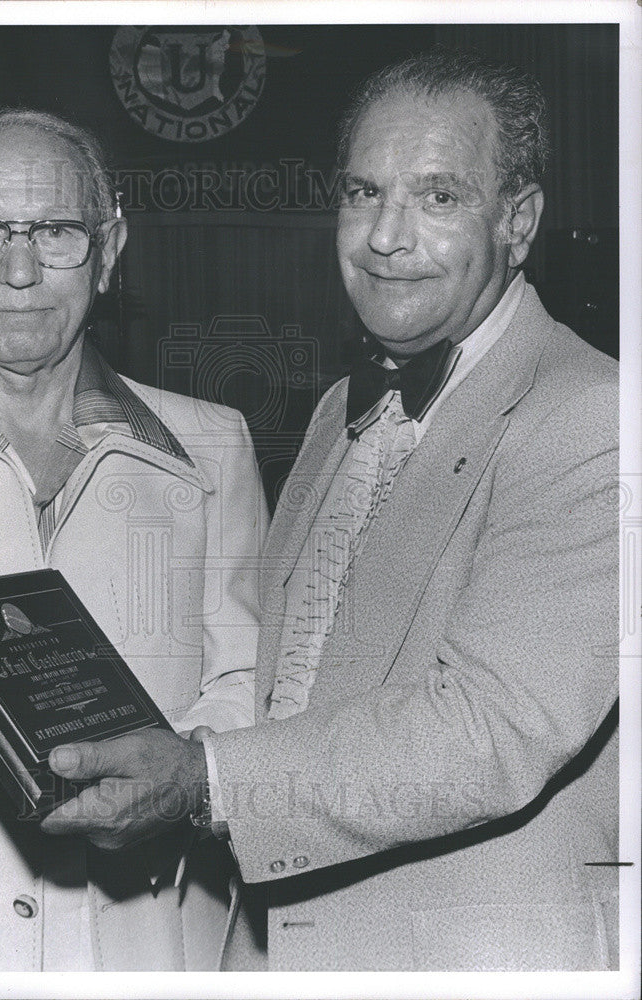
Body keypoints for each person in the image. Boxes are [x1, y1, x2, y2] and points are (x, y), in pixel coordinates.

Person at [38, 49, 620, 971]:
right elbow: (286, 684)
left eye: (436, 198)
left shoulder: (593, 417)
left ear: (517, 221)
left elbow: (488, 728)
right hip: (285, 941)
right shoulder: (337, 409)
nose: (385, 237)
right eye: (362, 192)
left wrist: (200, 781)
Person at [0, 108, 268, 971]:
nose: (18, 269)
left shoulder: (215, 444)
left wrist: (184, 777)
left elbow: (247, 682)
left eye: (56, 232)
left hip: (152, 945)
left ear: (110, 249)